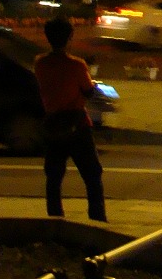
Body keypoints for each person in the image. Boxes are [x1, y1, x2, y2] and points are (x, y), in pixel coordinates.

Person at [33, 17, 106, 222]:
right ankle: (97, 217)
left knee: (54, 176)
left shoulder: (40, 63)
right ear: (70, 37)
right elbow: (89, 91)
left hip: (53, 124)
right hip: (77, 124)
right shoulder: (76, 65)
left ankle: (55, 217)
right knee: (92, 174)